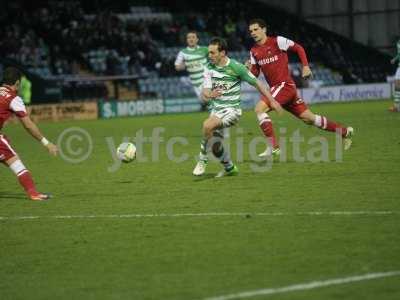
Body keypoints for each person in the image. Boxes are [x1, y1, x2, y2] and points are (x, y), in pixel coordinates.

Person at [246, 19, 354, 157]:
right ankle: (345, 132)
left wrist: (305, 66)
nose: (253, 33)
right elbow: (255, 73)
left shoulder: (277, 41)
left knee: (259, 109)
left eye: (256, 29)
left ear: (264, 29)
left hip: (284, 85)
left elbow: (298, 48)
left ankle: (273, 146)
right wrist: (248, 69)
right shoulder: (253, 51)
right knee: (309, 118)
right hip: (281, 89)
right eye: (251, 31)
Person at [192, 37, 282, 177]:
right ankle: (229, 167)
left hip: (232, 111)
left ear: (222, 53)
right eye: (209, 53)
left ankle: (202, 159)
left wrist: (272, 101)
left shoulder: (236, 67)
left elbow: (257, 84)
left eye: (212, 53)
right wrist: (210, 94)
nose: (209, 56)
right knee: (216, 146)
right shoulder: (208, 68)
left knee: (207, 126)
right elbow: (205, 92)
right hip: (217, 111)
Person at [0, 67, 58, 201]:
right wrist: (46, 143)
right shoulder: (13, 98)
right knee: (16, 163)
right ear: (17, 83)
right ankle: (33, 193)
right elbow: (28, 124)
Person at [175, 31, 209, 102]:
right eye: (189, 38)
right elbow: (177, 67)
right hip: (195, 82)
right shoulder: (183, 53)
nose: (191, 39)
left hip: (206, 79)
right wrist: (184, 65)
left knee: (207, 98)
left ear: (197, 40)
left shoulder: (204, 49)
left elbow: (215, 57)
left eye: (193, 37)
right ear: (187, 40)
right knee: (205, 101)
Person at [390, 37, 400, 112]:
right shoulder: (398, 42)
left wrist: (394, 59)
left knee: (397, 85)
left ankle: (396, 107)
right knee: (397, 85)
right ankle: (396, 106)